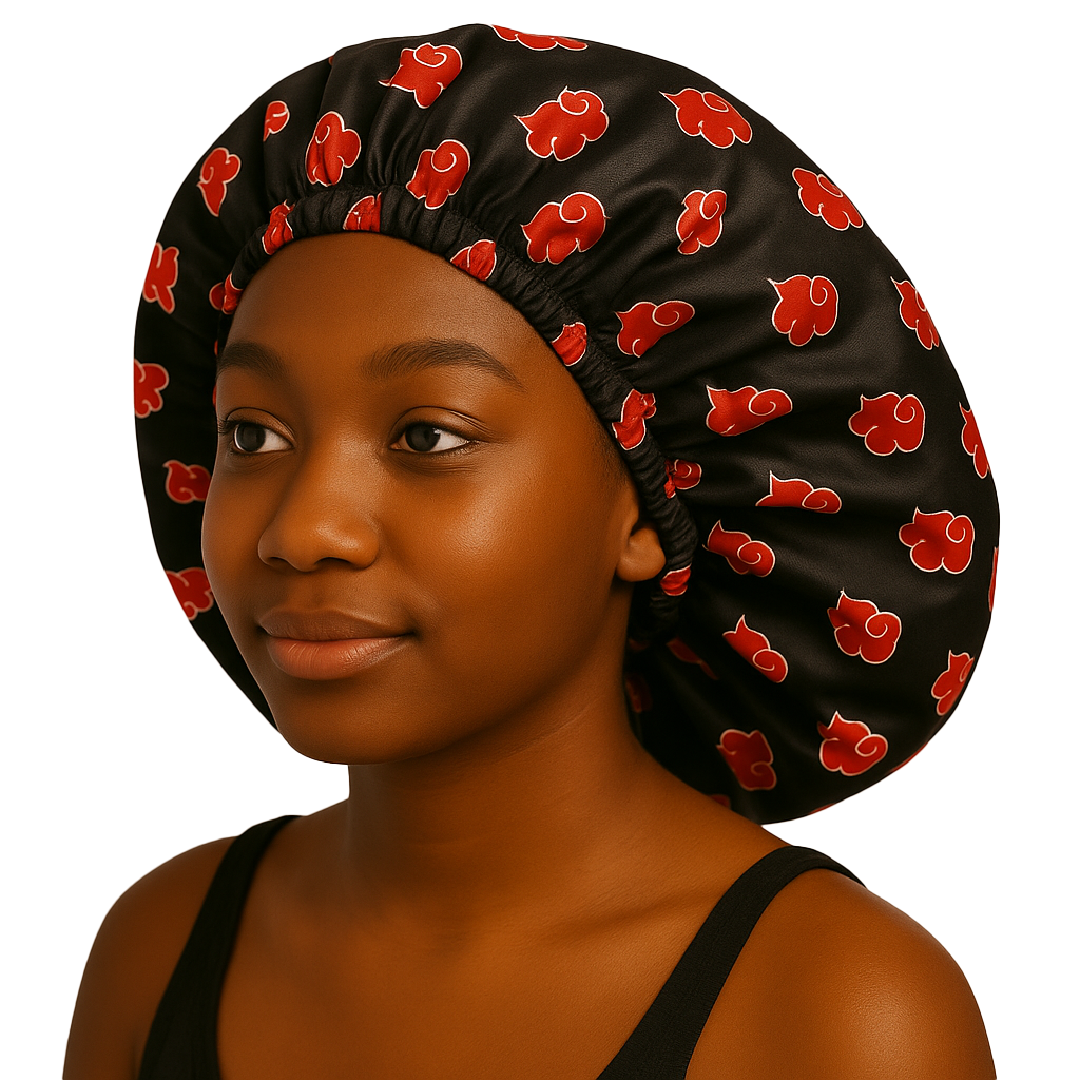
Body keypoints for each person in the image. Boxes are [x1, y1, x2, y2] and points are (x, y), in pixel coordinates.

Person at [65, 23, 998, 1078]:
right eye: (253, 436)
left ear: (649, 509)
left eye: (428, 437)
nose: (301, 530)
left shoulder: (837, 1009)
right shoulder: (161, 948)